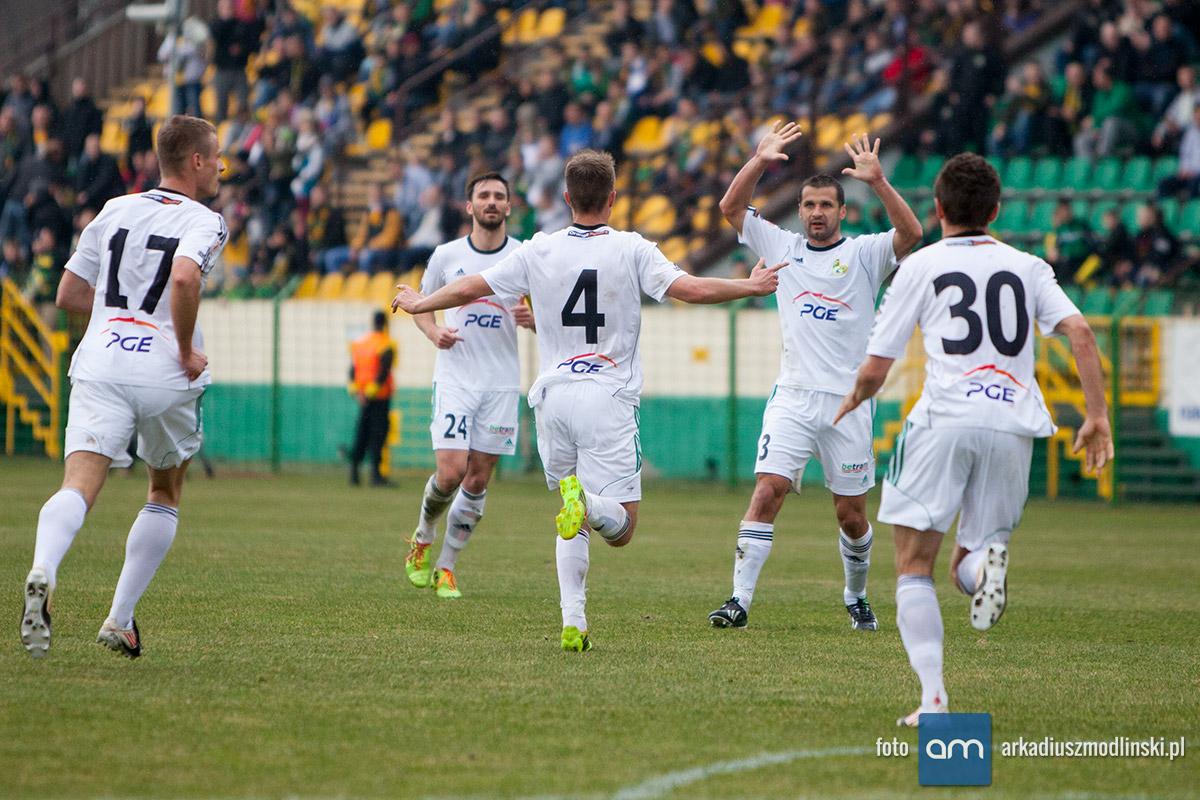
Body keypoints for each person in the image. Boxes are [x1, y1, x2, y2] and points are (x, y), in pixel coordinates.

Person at [393, 149, 782, 651]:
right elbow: (689, 289)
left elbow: (472, 286)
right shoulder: (632, 247)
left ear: (566, 198)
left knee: (569, 513)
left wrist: (422, 303)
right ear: (613, 198)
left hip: (552, 398)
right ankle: (590, 505)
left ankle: (573, 621)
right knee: (621, 527)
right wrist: (749, 287)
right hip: (607, 395)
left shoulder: (538, 249)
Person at [834, 153, 1112, 725]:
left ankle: (934, 699)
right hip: (1013, 425)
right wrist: (1097, 417)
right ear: (997, 210)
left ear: (937, 208)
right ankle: (986, 569)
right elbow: (1081, 332)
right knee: (970, 557)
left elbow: (876, 368)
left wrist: (852, 401)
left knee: (914, 565)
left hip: (944, 419)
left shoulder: (920, 266)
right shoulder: (1028, 266)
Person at [20, 115, 228, 659]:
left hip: (102, 362)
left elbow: (68, 293)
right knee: (164, 491)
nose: (223, 166)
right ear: (197, 161)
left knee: (78, 484)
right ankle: (119, 618)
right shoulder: (206, 220)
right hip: (163, 371)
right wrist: (184, 349)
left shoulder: (114, 208)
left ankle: (44, 566)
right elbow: (183, 276)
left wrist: (119, 314)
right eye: (217, 157)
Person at [708, 124, 923, 632]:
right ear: (800, 211)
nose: (817, 212)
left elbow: (912, 235)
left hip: (849, 404)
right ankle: (738, 601)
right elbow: (731, 208)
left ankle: (856, 595)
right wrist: (759, 160)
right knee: (768, 491)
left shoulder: (865, 254)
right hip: (794, 396)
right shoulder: (782, 245)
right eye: (809, 205)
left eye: (827, 205)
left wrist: (879, 182)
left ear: (842, 211)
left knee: (851, 514)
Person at [403, 172, 532, 599]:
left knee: (477, 480)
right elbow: (422, 304)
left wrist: (534, 320)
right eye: (483, 195)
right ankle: (423, 536)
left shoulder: (524, 256)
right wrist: (432, 332)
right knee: (451, 472)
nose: (491, 201)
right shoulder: (446, 255)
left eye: (499, 196)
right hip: (456, 376)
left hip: (501, 382)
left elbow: (551, 317)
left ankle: (446, 567)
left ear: (509, 206)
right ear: (469, 205)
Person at [348, 310, 397, 487]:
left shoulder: (359, 343)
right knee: (378, 436)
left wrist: (357, 393)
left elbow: (352, 370)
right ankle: (376, 476)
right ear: (385, 324)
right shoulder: (385, 344)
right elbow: (384, 371)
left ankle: (354, 473)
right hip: (379, 398)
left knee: (361, 434)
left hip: (362, 398)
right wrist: (371, 392)